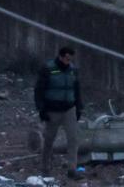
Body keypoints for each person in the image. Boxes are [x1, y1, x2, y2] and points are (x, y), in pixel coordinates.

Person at [34, 47, 86, 181]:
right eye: (67, 58)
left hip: (69, 109)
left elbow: (77, 89)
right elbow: (39, 90)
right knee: (49, 140)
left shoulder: (73, 70)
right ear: (61, 57)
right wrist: (41, 109)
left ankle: (72, 169)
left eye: (71, 59)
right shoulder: (48, 69)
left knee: (73, 139)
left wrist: (79, 108)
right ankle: (45, 168)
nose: (69, 61)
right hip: (52, 110)